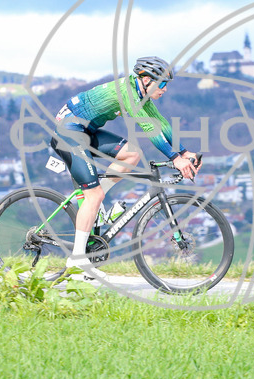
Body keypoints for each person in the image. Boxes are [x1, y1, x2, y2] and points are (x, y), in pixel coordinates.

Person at [50, 56, 200, 279]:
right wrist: (174, 158)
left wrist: (184, 152)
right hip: (69, 131)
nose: (165, 89)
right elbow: (149, 128)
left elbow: (161, 124)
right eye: (162, 83)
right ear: (147, 80)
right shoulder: (128, 92)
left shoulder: (140, 93)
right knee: (94, 195)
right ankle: (77, 259)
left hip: (85, 131)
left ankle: (96, 203)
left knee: (132, 154)